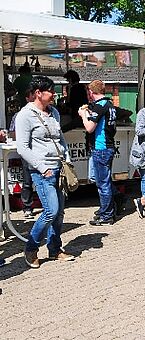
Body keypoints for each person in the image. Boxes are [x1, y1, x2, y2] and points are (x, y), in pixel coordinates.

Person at [15, 75, 75, 268]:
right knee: (51, 211)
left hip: (59, 168)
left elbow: (59, 139)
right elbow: (22, 148)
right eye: (51, 91)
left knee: (59, 213)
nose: (54, 95)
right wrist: (43, 168)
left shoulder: (54, 112)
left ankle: (55, 249)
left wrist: (66, 158)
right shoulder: (25, 115)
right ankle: (31, 248)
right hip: (42, 171)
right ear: (38, 93)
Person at [78, 80, 119, 226]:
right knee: (101, 180)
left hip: (101, 148)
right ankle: (109, 207)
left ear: (91, 91)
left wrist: (83, 114)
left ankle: (107, 215)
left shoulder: (100, 105)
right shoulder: (109, 105)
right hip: (108, 146)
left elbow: (89, 127)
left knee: (103, 184)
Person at [9, 90, 37, 218]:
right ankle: (27, 206)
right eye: (32, 96)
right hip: (27, 151)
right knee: (27, 180)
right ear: (27, 98)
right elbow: (12, 133)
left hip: (40, 150)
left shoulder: (46, 112)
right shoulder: (19, 115)